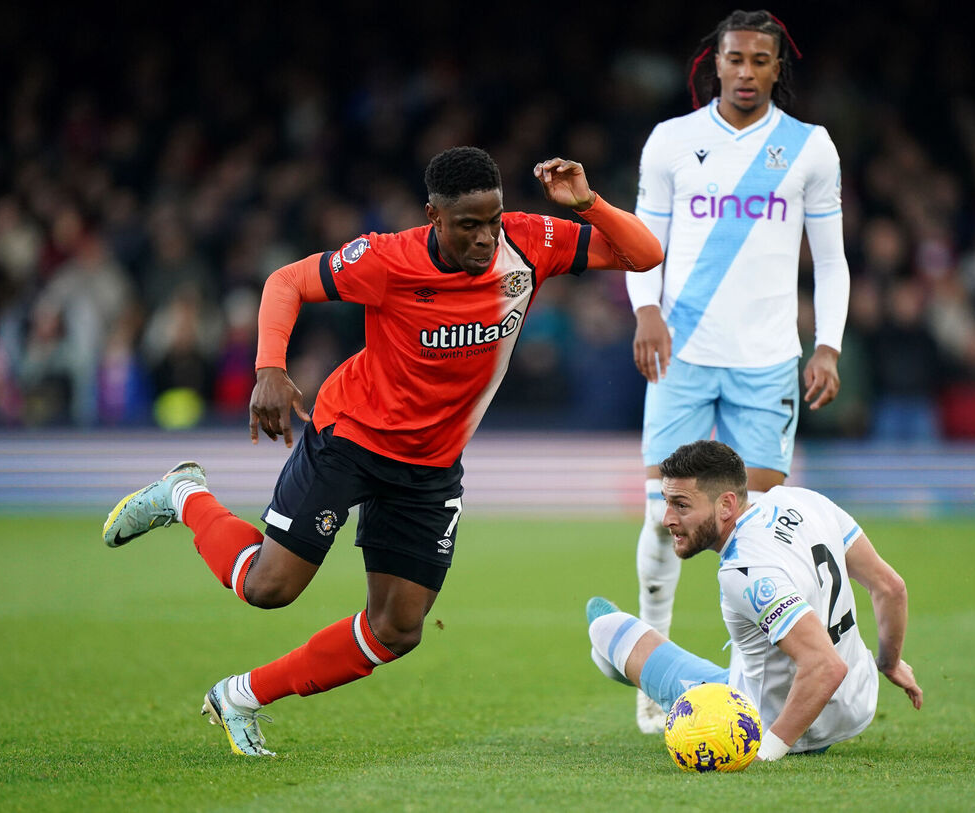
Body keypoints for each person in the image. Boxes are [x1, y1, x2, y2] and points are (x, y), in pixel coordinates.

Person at [102, 147, 663, 757]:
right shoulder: (387, 259)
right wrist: (269, 366)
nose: (483, 238)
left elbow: (645, 255)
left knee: (398, 629)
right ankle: (184, 494)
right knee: (268, 588)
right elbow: (285, 281)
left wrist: (587, 203)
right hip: (352, 438)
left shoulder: (530, 243)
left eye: (492, 220)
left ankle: (239, 697)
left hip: (430, 467)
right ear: (433, 217)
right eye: (466, 225)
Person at [625, 10, 851, 732]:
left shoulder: (809, 149)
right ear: (713, 63)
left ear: (779, 67)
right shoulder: (672, 142)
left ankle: (759, 677)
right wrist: (645, 310)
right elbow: (640, 242)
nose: (747, 72)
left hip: (765, 361)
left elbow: (834, 258)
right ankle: (652, 671)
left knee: (750, 526)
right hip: (682, 353)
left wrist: (829, 343)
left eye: (761, 61)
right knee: (667, 514)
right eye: (736, 59)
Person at [588, 440, 921, 759]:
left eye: (681, 505)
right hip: (854, 704)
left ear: (727, 505)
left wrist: (767, 752)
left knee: (604, 629)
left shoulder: (743, 570)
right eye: (667, 502)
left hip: (779, 720)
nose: (667, 519)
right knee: (753, 642)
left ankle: (613, 659)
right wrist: (890, 664)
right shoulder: (806, 500)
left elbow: (825, 666)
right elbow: (890, 587)